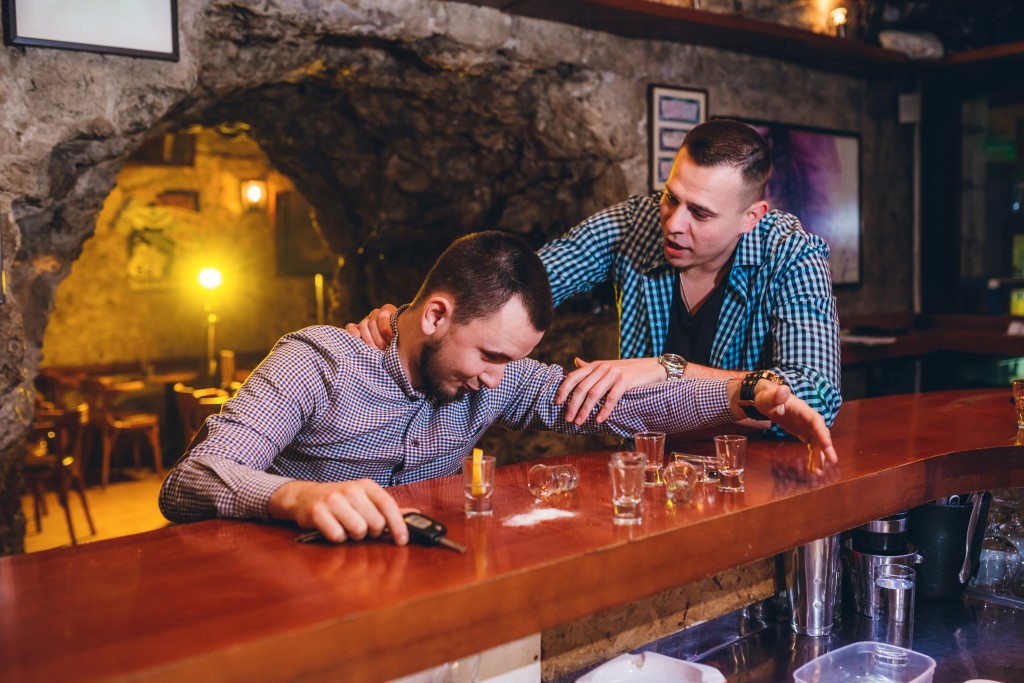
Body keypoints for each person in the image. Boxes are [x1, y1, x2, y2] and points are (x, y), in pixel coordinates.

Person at [160, 231, 836, 546]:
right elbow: (188, 482)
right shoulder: (316, 361)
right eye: (488, 354)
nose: (495, 379)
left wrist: (748, 396)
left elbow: (625, 403)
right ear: (435, 315)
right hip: (280, 597)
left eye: (508, 361)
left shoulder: (496, 377)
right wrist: (295, 495)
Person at [350, 120, 841, 433]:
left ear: (750, 217)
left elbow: (815, 394)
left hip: (757, 473)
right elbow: (511, 282)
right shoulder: (635, 222)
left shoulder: (792, 253)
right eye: (671, 196)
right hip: (647, 458)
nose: (672, 222)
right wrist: (413, 318)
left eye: (701, 213)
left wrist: (668, 368)